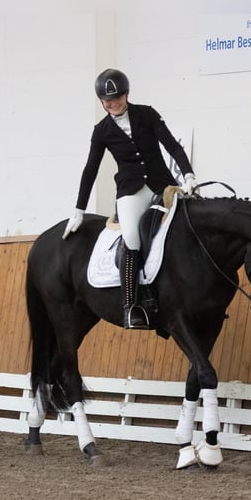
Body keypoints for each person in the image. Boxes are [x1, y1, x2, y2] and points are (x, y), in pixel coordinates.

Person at [62, 68, 197, 329]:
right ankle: (131, 306)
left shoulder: (146, 114)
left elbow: (172, 145)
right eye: (107, 101)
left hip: (163, 184)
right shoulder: (101, 131)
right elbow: (91, 169)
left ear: (127, 94)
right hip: (131, 190)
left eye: (118, 98)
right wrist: (79, 209)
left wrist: (188, 174)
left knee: (187, 225)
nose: (113, 104)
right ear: (101, 101)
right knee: (132, 239)